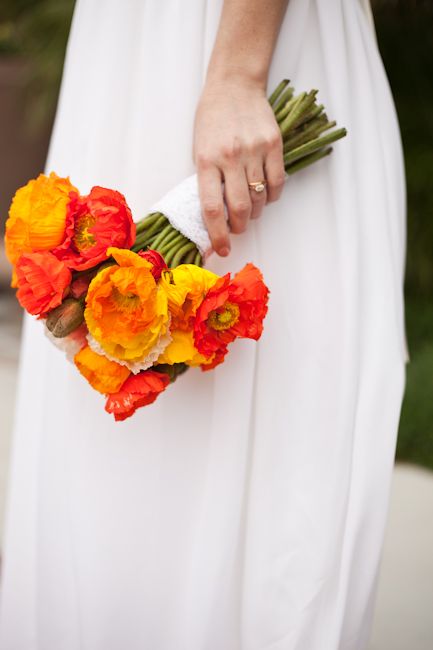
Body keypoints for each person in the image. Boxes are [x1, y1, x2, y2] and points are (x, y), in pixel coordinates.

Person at [0, 0, 407, 648]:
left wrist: (238, 75)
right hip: (127, 48)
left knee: (275, 433)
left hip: (237, 42)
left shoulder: (235, 75)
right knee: (123, 479)